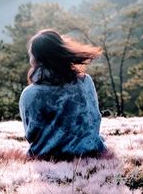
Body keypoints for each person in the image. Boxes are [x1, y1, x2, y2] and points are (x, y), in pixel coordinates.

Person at [19, 29, 107, 160]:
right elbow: (94, 118)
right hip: (91, 151)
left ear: (37, 59)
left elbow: (31, 134)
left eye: (31, 54)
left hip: (49, 158)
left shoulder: (31, 94)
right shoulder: (86, 81)